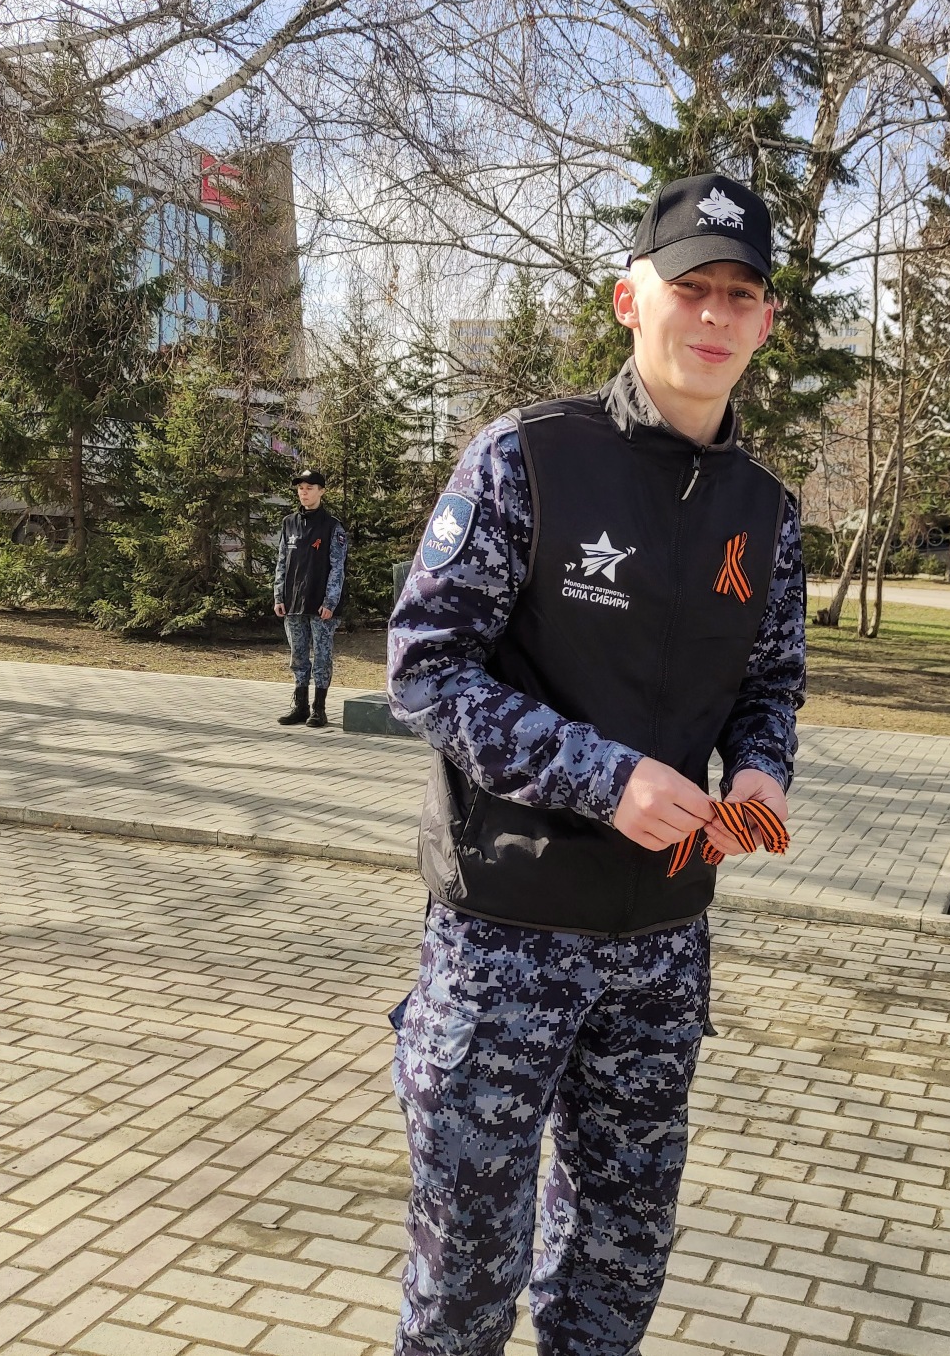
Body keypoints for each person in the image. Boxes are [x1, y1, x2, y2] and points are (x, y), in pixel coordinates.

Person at [386, 173, 807, 1356]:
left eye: (741, 294)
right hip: (504, 939)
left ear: (766, 322)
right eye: (691, 287)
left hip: (662, 948)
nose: (715, 314)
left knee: (617, 1269)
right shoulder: (528, 458)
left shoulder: (766, 512)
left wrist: (762, 771)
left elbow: (770, 684)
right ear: (632, 298)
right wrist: (604, 777)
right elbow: (424, 666)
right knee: (466, 1277)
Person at [273, 468, 348, 728]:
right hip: (293, 602)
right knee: (298, 656)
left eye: (310, 488)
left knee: (322, 657)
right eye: (300, 488)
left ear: (321, 491)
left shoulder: (332, 526)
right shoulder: (289, 523)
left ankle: (319, 709)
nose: (304, 493)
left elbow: (337, 567)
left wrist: (330, 602)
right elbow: (282, 561)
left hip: (320, 605)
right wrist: (279, 595)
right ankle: (300, 706)